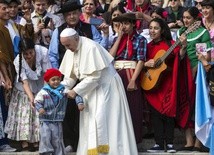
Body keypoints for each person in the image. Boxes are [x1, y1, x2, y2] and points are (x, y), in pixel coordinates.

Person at [59, 28, 138, 155]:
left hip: (107, 88)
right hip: (90, 88)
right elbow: (71, 75)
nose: (67, 48)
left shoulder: (91, 47)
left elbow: (95, 77)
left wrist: (75, 91)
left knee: (106, 120)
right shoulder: (71, 49)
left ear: (76, 38)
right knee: (91, 120)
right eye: (64, 46)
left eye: (68, 45)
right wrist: (59, 89)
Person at [4, 38, 51, 151]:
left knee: (39, 110)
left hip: (40, 83)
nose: (29, 56)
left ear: (34, 49)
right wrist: (31, 98)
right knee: (26, 110)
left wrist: (43, 94)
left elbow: (47, 75)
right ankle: (24, 140)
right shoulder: (18, 61)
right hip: (24, 88)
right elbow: (24, 82)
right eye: (25, 54)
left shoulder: (43, 52)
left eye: (31, 52)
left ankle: (36, 140)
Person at [143, 17, 182, 153]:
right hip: (152, 84)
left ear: (163, 30)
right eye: (151, 28)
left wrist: (182, 46)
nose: (152, 31)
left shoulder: (171, 44)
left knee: (168, 112)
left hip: (167, 84)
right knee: (155, 114)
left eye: (156, 28)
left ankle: (170, 143)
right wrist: (146, 63)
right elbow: (141, 61)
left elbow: (179, 57)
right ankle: (159, 143)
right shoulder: (148, 46)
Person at [0, 0, 33, 152]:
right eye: (4, 8)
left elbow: (26, 37)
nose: (8, 11)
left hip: (15, 68)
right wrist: (6, 76)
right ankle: (4, 141)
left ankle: (11, 138)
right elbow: (1, 55)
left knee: (11, 105)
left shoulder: (12, 25)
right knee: (4, 106)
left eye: (11, 8)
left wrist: (29, 21)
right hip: (5, 71)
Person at [178, 6, 212, 152]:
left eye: (188, 18)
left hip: (197, 72)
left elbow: (204, 56)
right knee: (184, 104)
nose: (185, 21)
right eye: (184, 18)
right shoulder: (180, 32)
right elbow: (179, 55)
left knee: (198, 104)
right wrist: (183, 46)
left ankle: (199, 142)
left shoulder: (202, 33)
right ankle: (188, 140)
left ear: (196, 19)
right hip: (183, 70)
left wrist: (195, 70)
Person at [109, 13, 146, 146]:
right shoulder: (116, 39)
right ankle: (118, 140)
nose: (123, 27)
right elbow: (110, 56)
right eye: (121, 24)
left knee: (133, 106)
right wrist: (119, 37)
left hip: (131, 71)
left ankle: (133, 140)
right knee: (116, 107)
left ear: (132, 24)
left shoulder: (140, 39)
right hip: (117, 71)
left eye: (126, 23)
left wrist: (133, 80)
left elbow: (141, 60)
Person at [34, 68, 84, 155]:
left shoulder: (63, 90)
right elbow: (37, 101)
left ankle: (59, 153)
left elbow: (74, 94)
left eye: (58, 79)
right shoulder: (43, 92)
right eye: (53, 80)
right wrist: (40, 108)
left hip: (57, 120)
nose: (56, 81)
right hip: (45, 120)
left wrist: (79, 103)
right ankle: (46, 152)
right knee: (45, 137)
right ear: (48, 81)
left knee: (57, 138)